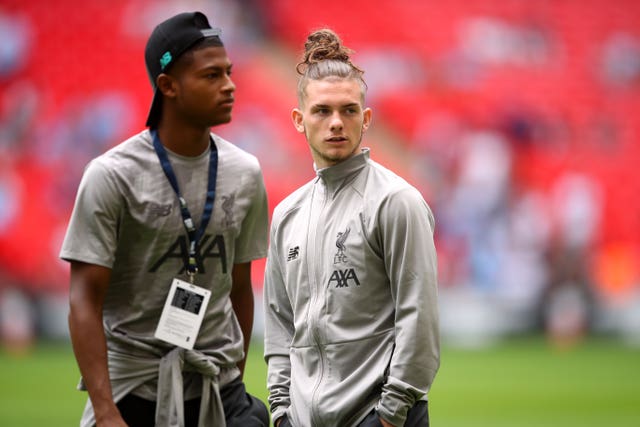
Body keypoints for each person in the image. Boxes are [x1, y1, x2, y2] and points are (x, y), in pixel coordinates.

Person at [60, 11, 269, 427]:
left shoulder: (246, 172)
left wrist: (233, 381)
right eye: (211, 76)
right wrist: (105, 411)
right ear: (168, 86)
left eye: (228, 73)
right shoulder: (112, 175)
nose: (229, 86)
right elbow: (84, 298)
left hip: (215, 382)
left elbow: (240, 287)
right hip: (131, 387)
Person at [263, 29, 440, 427]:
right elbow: (279, 324)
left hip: (379, 417)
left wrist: (391, 413)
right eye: (322, 111)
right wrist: (281, 410)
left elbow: (420, 318)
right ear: (298, 119)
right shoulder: (287, 214)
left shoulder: (397, 201)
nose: (336, 123)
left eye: (349, 110)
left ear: (367, 117)